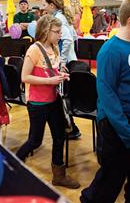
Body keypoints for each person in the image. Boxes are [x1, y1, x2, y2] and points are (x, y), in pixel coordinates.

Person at [81, 0, 130, 203]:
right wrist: (126, 131)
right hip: (119, 127)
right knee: (110, 180)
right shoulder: (110, 51)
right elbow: (107, 96)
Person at [16, 15, 79, 189]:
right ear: (45, 31)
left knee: (60, 137)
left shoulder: (54, 47)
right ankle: (12, 165)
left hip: (54, 100)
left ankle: (59, 176)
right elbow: (24, 77)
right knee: (35, 141)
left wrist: (60, 75)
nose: (60, 35)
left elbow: (52, 70)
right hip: (37, 103)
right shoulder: (34, 50)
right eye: (57, 32)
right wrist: (49, 81)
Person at [42, 0, 81, 139]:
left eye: (44, 4)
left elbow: (68, 40)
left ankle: (71, 129)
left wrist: (62, 61)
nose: (43, 7)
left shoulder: (59, 18)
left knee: (62, 97)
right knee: (62, 97)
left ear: (52, 5)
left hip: (65, 64)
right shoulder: (60, 17)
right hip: (68, 61)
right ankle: (69, 127)